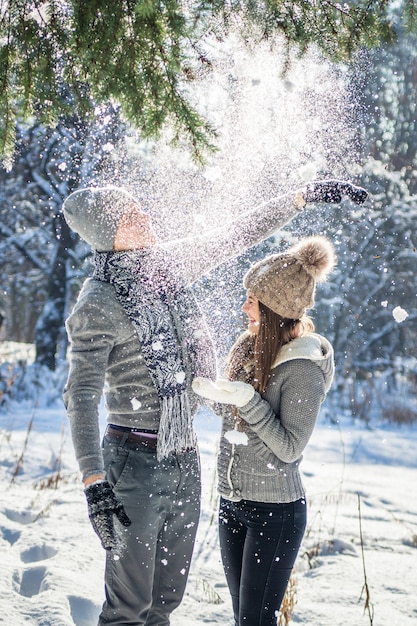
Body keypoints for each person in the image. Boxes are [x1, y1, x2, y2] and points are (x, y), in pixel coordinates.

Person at [62, 181, 366, 626]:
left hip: (184, 457)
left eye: (140, 209)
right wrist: (94, 481)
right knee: (129, 608)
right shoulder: (99, 301)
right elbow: (81, 395)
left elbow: (237, 233)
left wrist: (302, 197)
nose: (145, 219)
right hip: (134, 460)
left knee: (164, 601)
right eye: (130, 217)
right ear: (109, 235)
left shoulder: (164, 267)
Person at [192, 235, 336, 626]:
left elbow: (289, 448)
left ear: (274, 308)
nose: (244, 308)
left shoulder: (303, 368)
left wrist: (248, 400)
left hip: (275, 513)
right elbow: (230, 408)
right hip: (231, 503)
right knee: (244, 619)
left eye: (252, 300)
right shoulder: (249, 344)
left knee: (256, 621)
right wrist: (201, 382)